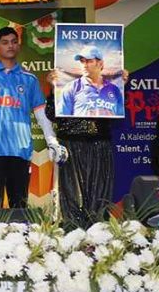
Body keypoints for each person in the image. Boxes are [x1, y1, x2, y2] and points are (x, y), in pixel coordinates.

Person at [0, 27, 65, 210]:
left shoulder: (29, 79)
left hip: (20, 149)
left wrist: (52, 141)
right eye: (5, 42)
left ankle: (19, 230)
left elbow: (41, 114)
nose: (10, 46)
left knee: (19, 206)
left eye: (14, 42)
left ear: (19, 45)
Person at [44, 81, 122, 226]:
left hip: (99, 142)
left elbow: (116, 111)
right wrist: (55, 91)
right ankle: (73, 227)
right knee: (71, 189)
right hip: (70, 142)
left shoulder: (106, 85)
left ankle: (97, 228)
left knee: (99, 190)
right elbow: (51, 114)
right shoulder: (65, 83)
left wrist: (119, 86)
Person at [59, 46, 124, 117]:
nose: (84, 65)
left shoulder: (114, 89)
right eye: (82, 61)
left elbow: (120, 118)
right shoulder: (71, 88)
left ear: (100, 64)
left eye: (89, 61)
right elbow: (62, 118)